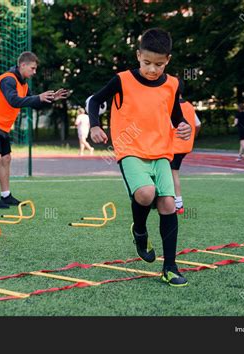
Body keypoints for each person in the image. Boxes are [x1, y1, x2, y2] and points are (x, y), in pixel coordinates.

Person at [89, 28, 192, 287]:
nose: (152, 69)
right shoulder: (122, 80)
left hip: (161, 151)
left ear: (167, 59)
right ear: (138, 56)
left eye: (159, 64)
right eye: (147, 63)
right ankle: (139, 230)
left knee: (168, 204)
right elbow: (94, 101)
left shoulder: (173, 84)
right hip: (130, 149)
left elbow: (175, 115)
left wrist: (183, 125)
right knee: (146, 194)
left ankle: (169, 267)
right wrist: (94, 125)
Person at [0, 51, 68, 208]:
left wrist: (52, 98)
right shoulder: (8, 79)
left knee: (6, 159)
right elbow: (13, 100)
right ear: (23, 65)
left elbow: (33, 102)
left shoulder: (23, 84)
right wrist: (38, 97)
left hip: (2, 125)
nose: (34, 72)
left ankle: (5, 196)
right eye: (32, 68)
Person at [170, 79, 201, 215]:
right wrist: (192, 136)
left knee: (173, 173)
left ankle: (178, 204)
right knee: (171, 172)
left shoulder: (170, 105)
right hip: (185, 146)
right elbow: (197, 124)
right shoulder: (189, 105)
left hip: (172, 146)